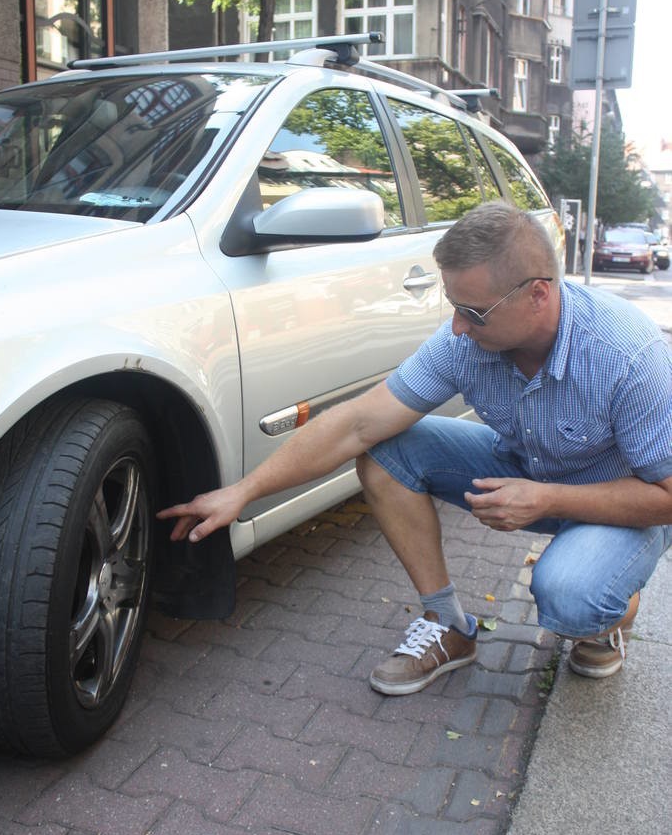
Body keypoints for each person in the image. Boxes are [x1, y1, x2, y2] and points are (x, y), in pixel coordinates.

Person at [158, 202, 672, 694]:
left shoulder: (629, 356)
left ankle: (612, 614)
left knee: (571, 600)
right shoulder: (465, 342)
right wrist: (243, 492)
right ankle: (448, 625)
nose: (457, 327)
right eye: (453, 307)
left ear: (538, 295)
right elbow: (358, 424)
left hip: (624, 503)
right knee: (388, 448)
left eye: (474, 312)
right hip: (525, 470)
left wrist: (549, 500)